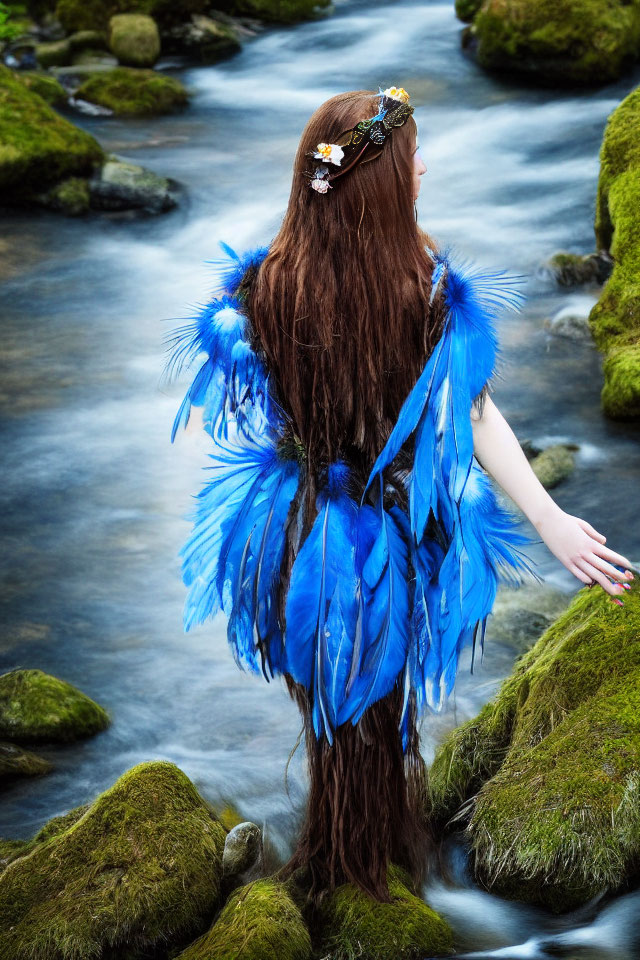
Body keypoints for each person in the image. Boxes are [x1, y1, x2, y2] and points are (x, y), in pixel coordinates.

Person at [164, 86, 634, 906]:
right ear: (383, 185)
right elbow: (474, 411)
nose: (425, 164)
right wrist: (548, 517)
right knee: (378, 713)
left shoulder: (266, 286)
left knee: (330, 713)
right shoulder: (420, 287)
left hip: (289, 523)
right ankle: (370, 861)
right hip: (379, 535)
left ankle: (341, 855)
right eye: (414, 155)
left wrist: (555, 520)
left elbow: (252, 384)